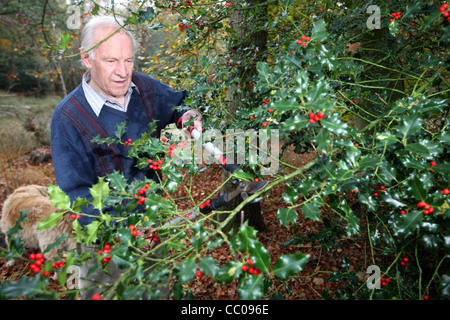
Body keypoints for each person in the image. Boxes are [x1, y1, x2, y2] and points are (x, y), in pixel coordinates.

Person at [50, 15, 201, 299]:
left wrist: (189, 116)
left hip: (154, 225)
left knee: (156, 293)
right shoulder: (68, 117)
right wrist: (123, 230)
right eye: (111, 61)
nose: (123, 71)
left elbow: (179, 105)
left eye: (129, 61)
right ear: (86, 59)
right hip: (103, 243)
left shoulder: (144, 88)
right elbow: (75, 193)